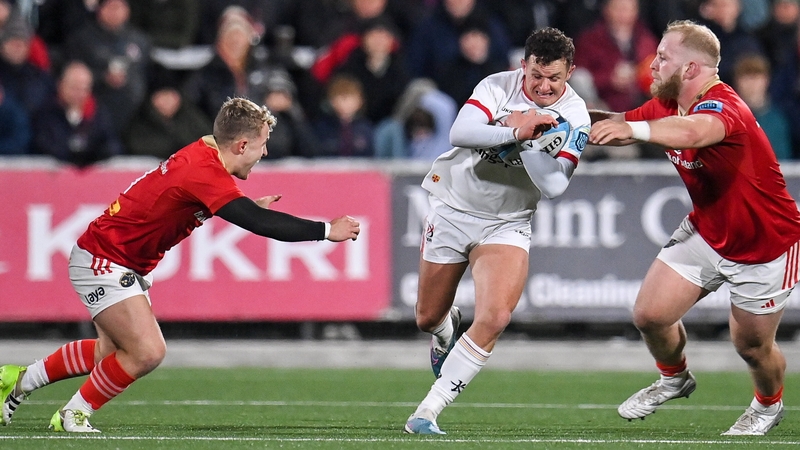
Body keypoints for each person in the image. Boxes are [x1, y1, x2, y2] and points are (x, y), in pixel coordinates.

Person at [0, 97, 361, 433]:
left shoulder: (206, 151)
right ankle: (72, 414)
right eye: (262, 143)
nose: (265, 152)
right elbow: (261, 224)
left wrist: (245, 207)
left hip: (116, 258)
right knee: (147, 351)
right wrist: (328, 230)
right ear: (240, 146)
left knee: (111, 353)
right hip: (105, 259)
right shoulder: (204, 170)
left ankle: (17, 381)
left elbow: (211, 203)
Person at [589, 20, 800, 435]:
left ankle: (768, 404)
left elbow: (693, 131)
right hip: (708, 230)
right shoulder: (667, 104)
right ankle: (674, 377)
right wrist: (556, 117)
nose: (651, 65)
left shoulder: (725, 108)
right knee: (650, 315)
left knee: (752, 347)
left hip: (766, 244)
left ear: (690, 70)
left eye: (663, 58)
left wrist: (633, 130)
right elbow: (617, 122)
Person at [403, 27, 590, 435]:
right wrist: (516, 130)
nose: (543, 86)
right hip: (452, 207)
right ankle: (444, 330)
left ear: (570, 73)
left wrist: (530, 142)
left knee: (496, 316)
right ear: (523, 66)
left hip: (507, 222)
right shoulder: (496, 86)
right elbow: (460, 133)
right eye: (536, 75)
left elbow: (555, 186)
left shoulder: (576, 116)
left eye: (553, 78)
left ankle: (427, 412)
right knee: (426, 317)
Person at [31, 61, 123, 168]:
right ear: (61, 85)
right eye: (74, 88)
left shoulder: (98, 113)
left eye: (84, 89)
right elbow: (44, 145)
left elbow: (112, 144)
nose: (79, 94)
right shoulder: (46, 112)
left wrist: (91, 157)